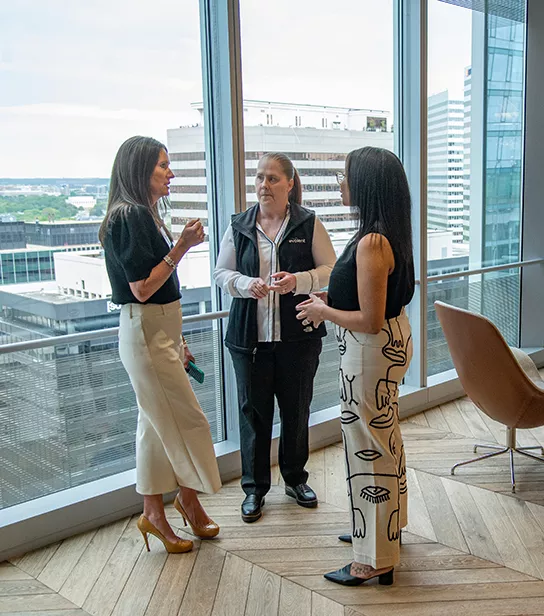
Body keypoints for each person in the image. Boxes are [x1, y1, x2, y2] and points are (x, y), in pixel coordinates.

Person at [296, 146, 414, 586]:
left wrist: (323, 312)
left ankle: (374, 557)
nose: (341, 184)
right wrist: (331, 299)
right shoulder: (383, 234)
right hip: (386, 343)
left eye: (346, 176)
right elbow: (372, 301)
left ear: (366, 183)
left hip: (370, 348)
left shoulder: (370, 241)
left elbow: (367, 318)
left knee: (368, 447)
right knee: (384, 437)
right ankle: (385, 529)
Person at [100, 136, 222, 554]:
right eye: (163, 167)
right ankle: (188, 497)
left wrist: (180, 339)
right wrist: (182, 247)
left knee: (153, 428)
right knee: (190, 420)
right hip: (146, 331)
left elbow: (161, 293)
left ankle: (153, 514)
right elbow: (142, 287)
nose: (171, 174)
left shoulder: (141, 213)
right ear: (140, 170)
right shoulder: (130, 216)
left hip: (157, 331)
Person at [214, 152, 336, 523]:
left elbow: (331, 269)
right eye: (259, 178)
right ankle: (254, 490)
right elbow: (220, 272)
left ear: (289, 183)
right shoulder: (239, 225)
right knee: (253, 414)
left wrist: (299, 281)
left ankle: (295, 479)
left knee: (297, 409)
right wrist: (243, 283)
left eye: (271, 179)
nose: (263, 186)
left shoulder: (308, 223)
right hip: (249, 339)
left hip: (298, 337)